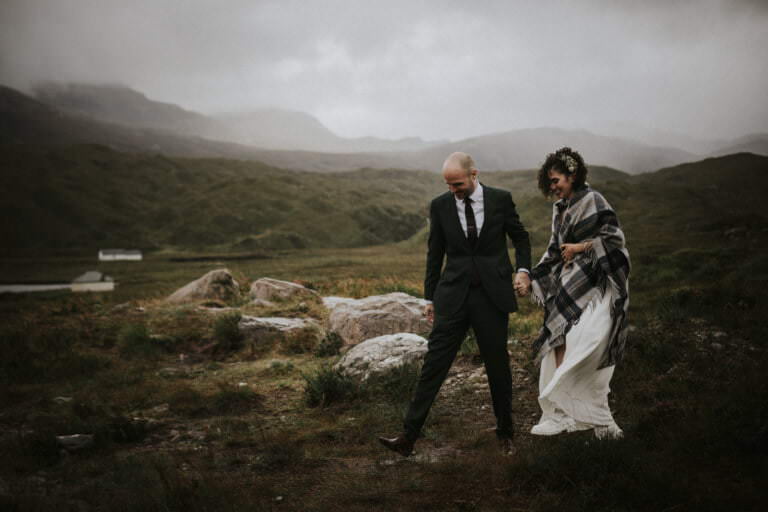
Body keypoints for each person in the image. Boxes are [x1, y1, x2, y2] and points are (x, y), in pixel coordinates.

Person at [378, 152, 531, 456]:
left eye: (458, 184)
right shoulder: (440, 205)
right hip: (453, 297)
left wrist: (524, 271)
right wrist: (430, 297)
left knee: (497, 365)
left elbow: (521, 238)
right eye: (448, 185)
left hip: (492, 296)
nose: (453, 191)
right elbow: (434, 254)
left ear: (474, 174)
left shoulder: (501, 199)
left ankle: (505, 434)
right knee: (434, 364)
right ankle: (408, 438)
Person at [525, 147, 630, 439]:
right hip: (569, 284)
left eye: (556, 180)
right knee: (562, 341)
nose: (553, 187)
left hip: (596, 283)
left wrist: (581, 248)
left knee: (589, 344)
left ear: (573, 175)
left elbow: (614, 241)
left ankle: (600, 419)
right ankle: (562, 415)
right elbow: (553, 248)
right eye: (549, 183)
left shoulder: (594, 200)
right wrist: (532, 276)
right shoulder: (560, 208)